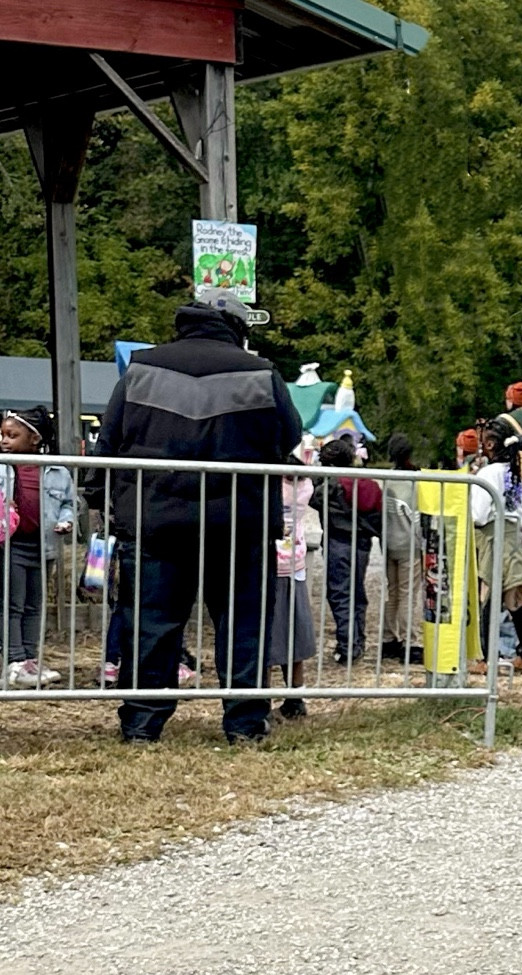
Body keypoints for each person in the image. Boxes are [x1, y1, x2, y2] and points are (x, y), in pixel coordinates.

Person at [93, 289, 302, 744]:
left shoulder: (143, 369)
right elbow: (288, 435)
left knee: (151, 625)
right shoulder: (261, 373)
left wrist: (103, 500)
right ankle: (244, 725)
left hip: (155, 521)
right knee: (242, 626)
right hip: (239, 523)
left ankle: (141, 725)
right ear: (239, 328)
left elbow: (108, 442)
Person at [1, 405, 75, 685]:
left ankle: (31, 659)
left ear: (34, 439)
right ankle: (15, 659)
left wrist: (66, 520)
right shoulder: (2, 467)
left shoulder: (56, 471)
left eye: (12, 435)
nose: (4, 441)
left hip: (43, 546)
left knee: (35, 604)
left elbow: (69, 503)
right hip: (12, 545)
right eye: (2, 435)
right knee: (12, 603)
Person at [470, 419, 522, 672]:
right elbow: (520, 510)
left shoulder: (487, 474)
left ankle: (485, 658)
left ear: (489, 444)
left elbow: (478, 513)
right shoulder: (512, 472)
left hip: (491, 535)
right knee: (513, 598)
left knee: (487, 596)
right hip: (511, 536)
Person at [318, 433, 383, 662]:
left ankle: (347, 646)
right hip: (363, 544)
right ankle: (358, 640)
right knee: (356, 593)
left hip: (339, 542)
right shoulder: (366, 483)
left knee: (340, 594)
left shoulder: (332, 485)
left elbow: (314, 499)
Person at [268, 457, 318, 718]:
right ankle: (295, 695)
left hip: (271, 563)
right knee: (294, 633)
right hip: (295, 562)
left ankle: (260, 697)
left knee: (265, 635)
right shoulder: (304, 484)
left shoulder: (272, 482)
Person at [380, 430, 422, 665]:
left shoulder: (387, 480)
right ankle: (410, 641)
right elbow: (416, 517)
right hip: (409, 545)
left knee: (392, 592)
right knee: (408, 595)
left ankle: (388, 638)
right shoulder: (414, 482)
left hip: (389, 543)